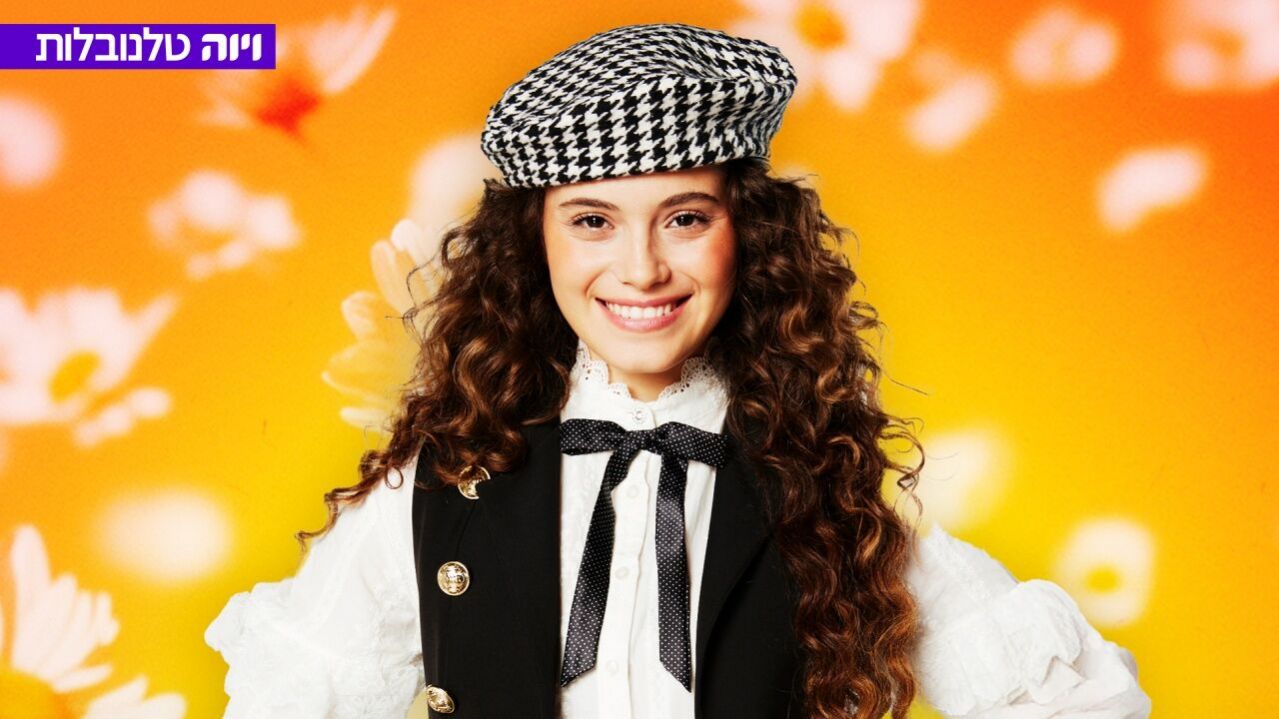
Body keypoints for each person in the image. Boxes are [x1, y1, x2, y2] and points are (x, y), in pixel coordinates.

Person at [204, 22, 1152, 719]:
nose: (641, 269)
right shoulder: (444, 485)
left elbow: (1073, 701)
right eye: (592, 220)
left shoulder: (823, 489)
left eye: (685, 218)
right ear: (533, 244)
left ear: (751, 235)